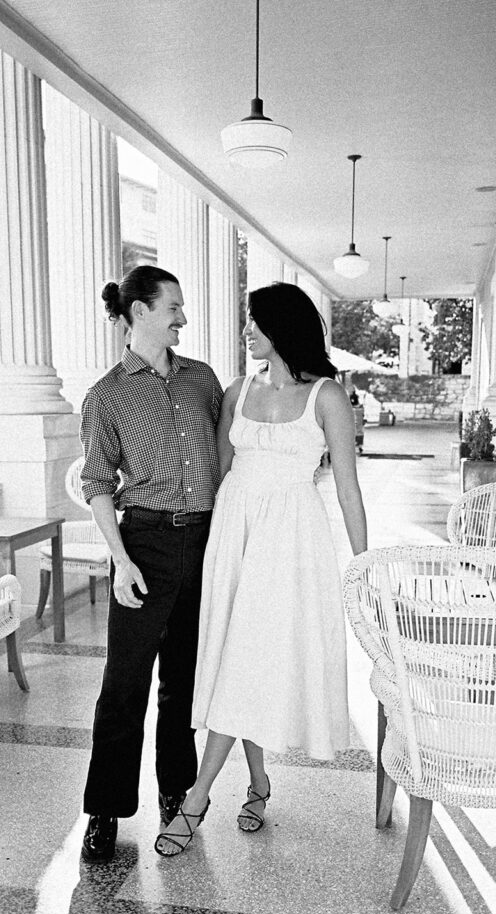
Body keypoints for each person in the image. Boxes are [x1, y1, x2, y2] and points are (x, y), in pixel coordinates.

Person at [154, 281, 368, 856]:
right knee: (236, 655)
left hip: (292, 541)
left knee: (247, 657)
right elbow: (217, 470)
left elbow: (347, 488)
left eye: (255, 322)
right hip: (234, 532)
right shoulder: (235, 390)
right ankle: (258, 783)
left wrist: (365, 566)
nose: (246, 330)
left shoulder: (327, 396)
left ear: (282, 327)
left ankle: (195, 799)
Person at [80, 264, 223, 863]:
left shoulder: (203, 380)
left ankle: (174, 792)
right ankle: (105, 811)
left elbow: (229, 453)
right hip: (144, 543)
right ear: (140, 312)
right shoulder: (107, 395)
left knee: (185, 681)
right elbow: (97, 484)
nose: (183, 319)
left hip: (207, 540)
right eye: (173, 309)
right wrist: (121, 560)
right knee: (125, 684)